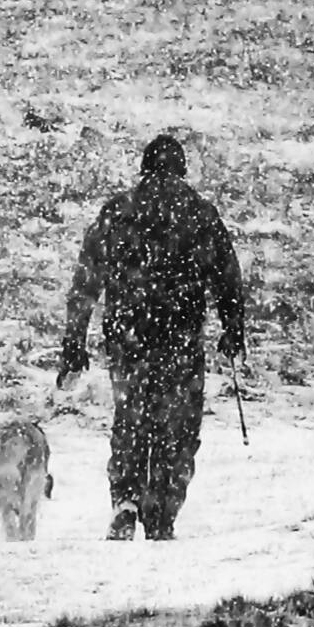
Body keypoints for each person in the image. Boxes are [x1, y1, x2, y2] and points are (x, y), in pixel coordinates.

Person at [56, 132, 248, 543]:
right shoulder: (199, 213)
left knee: (131, 420)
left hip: (130, 339)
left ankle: (125, 501)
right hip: (180, 339)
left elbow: (86, 281)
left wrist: (74, 343)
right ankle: (161, 510)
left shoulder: (118, 211)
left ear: (144, 168)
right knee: (176, 429)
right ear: (181, 168)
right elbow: (227, 278)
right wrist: (233, 328)